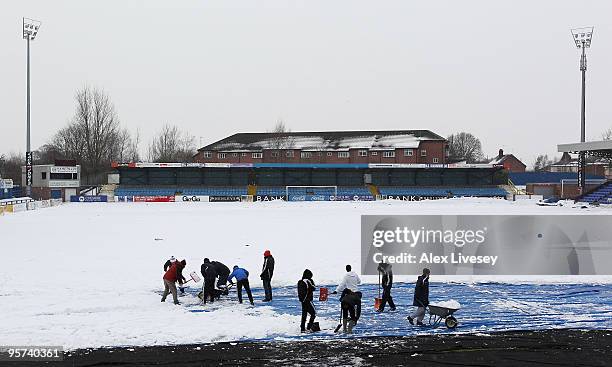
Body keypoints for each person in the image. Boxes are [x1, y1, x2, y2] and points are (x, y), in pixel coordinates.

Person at [297, 269, 316, 333]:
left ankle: (302, 328)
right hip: (308, 300)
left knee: (304, 314)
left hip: (302, 301)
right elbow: (313, 288)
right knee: (313, 313)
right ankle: (309, 327)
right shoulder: (308, 281)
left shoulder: (300, 281)